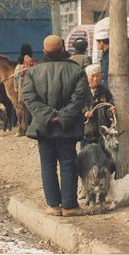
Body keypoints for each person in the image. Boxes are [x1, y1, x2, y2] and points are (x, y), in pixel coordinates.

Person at [22, 35, 88, 217]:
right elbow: (80, 97)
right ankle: (69, 206)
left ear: (44, 52)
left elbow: (28, 97)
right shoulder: (76, 70)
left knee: (47, 165)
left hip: (44, 127)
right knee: (68, 164)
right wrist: (63, 116)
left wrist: (48, 115)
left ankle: (53, 206)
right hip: (67, 127)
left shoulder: (33, 72)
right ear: (63, 49)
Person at [82, 64, 116, 148]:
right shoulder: (81, 92)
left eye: (98, 76)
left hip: (102, 133)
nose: (95, 79)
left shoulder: (105, 92)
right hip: (87, 134)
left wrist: (111, 111)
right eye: (92, 76)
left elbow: (109, 108)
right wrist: (84, 114)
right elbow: (76, 108)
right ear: (87, 77)